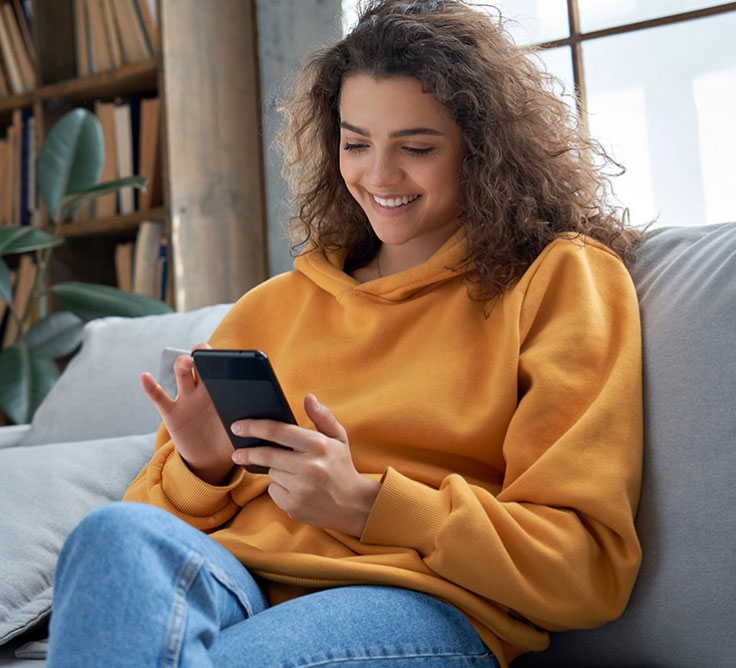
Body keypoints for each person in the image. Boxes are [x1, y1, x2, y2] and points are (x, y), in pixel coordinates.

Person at [46, 1, 644, 666]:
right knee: (113, 535)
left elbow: (584, 567)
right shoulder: (272, 306)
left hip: (415, 598)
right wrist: (203, 468)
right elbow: (159, 534)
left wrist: (367, 503)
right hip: (238, 581)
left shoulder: (559, 278)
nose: (379, 177)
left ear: (483, 150)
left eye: (416, 148)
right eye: (356, 144)